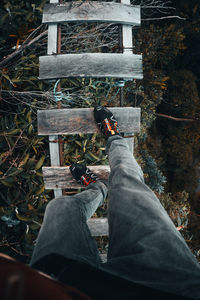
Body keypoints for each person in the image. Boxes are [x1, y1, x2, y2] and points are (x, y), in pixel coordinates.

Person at [1, 106, 200, 299]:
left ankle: (97, 187)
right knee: (126, 179)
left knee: (59, 207)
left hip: (67, 281)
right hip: (171, 284)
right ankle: (114, 135)